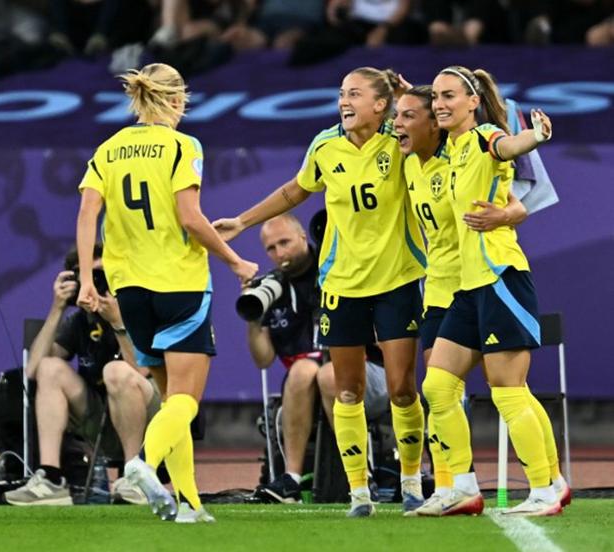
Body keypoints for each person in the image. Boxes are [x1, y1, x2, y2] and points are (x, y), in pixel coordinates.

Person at [214, 67, 428, 517]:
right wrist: (242, 221)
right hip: (342, 285)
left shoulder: (400, 138)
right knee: (345, 389)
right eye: (340, 94)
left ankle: (411, 480)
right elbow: (295, 190)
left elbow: (441, 125)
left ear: (379, 104)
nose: (344, 102)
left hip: (398, 278)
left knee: (402, 389)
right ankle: (359, 493)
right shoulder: (325, 144)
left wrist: (412, 100)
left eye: (354, 93)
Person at [76, 62, 258, 523]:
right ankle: (141, 464)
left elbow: (85, 217)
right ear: (178, 101)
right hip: (178, 283)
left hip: (129, 288)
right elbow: (190, 217)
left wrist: (84, 279)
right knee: (185, 400)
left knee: (169, 395)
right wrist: (235, 261)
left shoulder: (110, 148)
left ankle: (190, 504)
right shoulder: (183, 145)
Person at [414, 66, 562, 517]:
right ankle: (461, 487)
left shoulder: (484, 137)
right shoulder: (451, 149)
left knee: (507, 390)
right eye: (436, 96)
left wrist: (534, 136)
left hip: (500, 275)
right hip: (467, 286)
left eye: (449, 96)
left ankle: (543, 490)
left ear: (472, 101)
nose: (440, 104)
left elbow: (509, 146)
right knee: (438, 386)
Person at [247, 213, 389, 503]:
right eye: (271, 248)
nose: (280, 253)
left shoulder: (339, 268)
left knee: (328, 374)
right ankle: (291, 480)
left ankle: (361, 478)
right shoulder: (272, 288)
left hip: (366, 376)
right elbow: (263, 360)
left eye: (285, 242)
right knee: (302, 371)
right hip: (306, 389)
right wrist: (253, 317)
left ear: (303, 237)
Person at [4, 245, 160, 506]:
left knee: (117, 370)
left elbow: (142, 370)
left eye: (100, 275)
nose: (94, 283)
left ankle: (136, 476)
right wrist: (57, 308)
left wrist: (117, 322)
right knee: (49, 369)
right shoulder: (78, 321)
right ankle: (51, 479)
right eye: (85, 276)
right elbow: (32, 370)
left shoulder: (137, 309)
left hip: (148, 414)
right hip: (101, 415)